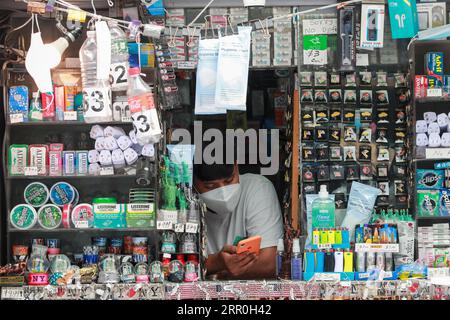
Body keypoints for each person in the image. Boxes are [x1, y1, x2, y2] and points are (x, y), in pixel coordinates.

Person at [194, 161, 283, 280]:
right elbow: (169, 265)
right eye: (211, 186)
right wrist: (217, 262)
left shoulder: (256, 188)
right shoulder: (183, 202)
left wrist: (220, 274)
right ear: (193, 180)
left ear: (236, 166)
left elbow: (269, 262)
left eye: (229, 181)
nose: (223, 193)